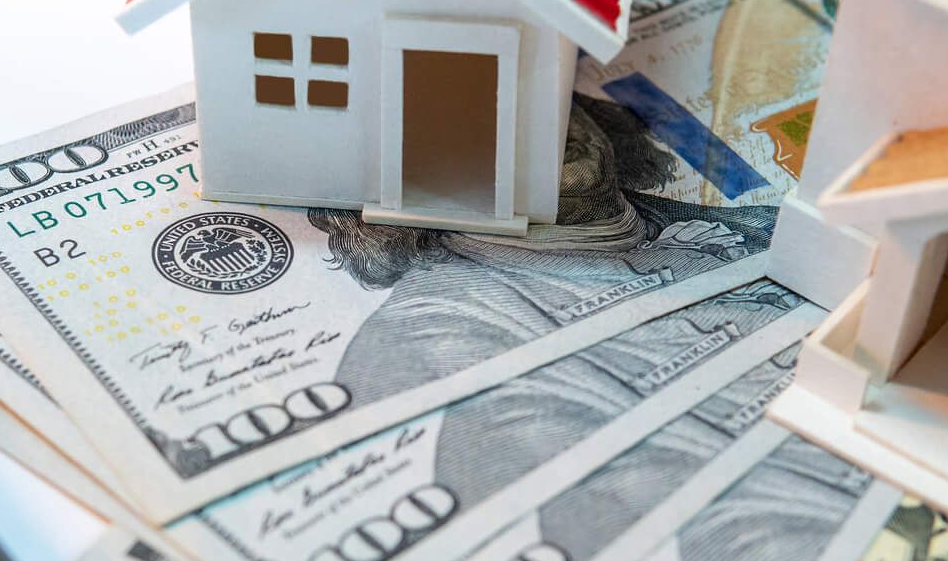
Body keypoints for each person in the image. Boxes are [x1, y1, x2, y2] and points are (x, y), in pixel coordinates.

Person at [307, 94, 776, 405]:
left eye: (551, 98)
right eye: (486, 115)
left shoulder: (766, 226)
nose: (548, 128)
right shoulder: (438, 327)